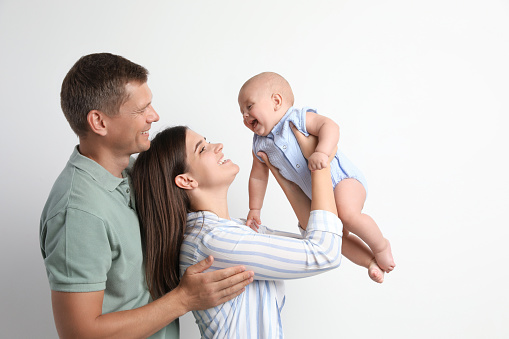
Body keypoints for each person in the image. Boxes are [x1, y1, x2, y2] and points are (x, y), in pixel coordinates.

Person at [39, 53, 254, 339]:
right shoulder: (78, 213)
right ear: (99, 122)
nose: (154, 116)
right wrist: (184, 299)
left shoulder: (135, 172)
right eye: (141, 110)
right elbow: (81, 333)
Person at [131, 124, 381, 338]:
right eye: (202, 148)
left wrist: (281, 174)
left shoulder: (233, 230)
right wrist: (320, 164)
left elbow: (314, 240)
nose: (217, 145)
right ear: (186, 181)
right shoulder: (212, 241)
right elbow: (322, 253)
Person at [238, 72, 396, 273]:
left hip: (342, 180)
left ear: (276, 101)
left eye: (249, 106)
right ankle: (370, 263)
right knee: (335, 237)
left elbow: (329, 126)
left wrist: (322, 151)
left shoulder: (297, 119)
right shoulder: (260, 145)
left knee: (348, 214)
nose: (244, 115)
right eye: (242, 111)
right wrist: (255, 209)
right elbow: (258, 176)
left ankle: (381, 246)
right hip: (320, 200)